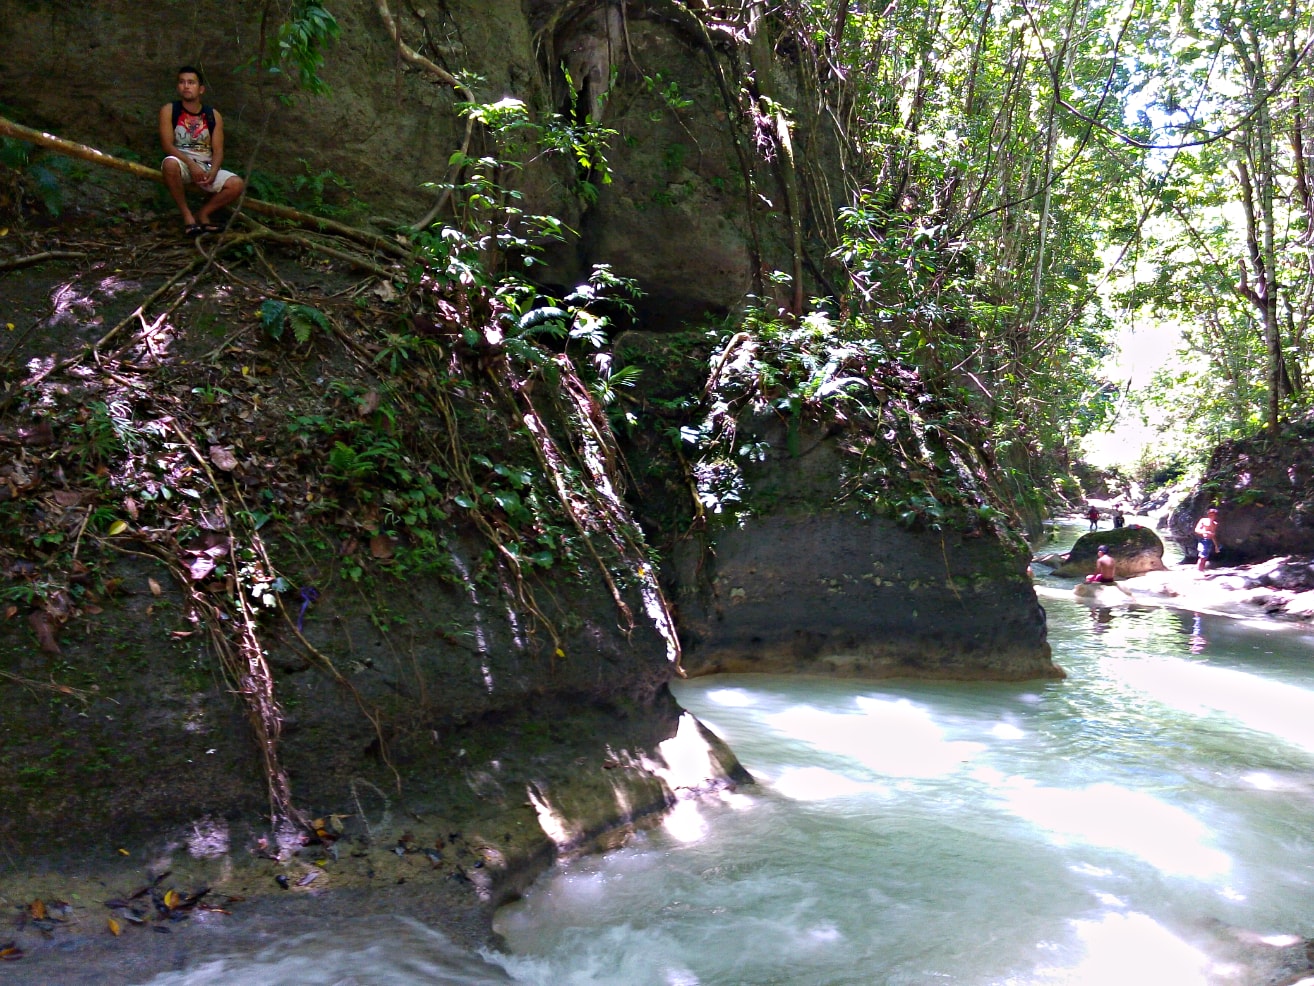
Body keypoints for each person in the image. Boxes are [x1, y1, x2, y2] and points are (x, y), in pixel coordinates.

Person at [159, 66, 244, 235]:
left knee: (236, 184)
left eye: (191, 82)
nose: (186, 86)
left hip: (206, 165)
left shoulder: (213, 115)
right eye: (182, 82)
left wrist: (213, 170)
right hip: (182, 163)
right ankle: (187, 216)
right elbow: (167, 145)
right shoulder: (170, 110)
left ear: (201, 89)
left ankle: (204, 213)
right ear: (178, 87)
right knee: (169, 164)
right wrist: (190, 164)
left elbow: (218, 150)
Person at [1194, 507, 1220, 573]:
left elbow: (1213, 535)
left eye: (1212, 515)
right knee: (1202, 556)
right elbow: (1197, 530)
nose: (1210, 516)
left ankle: (1201, 570)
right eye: (1209, 514)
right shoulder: (1203, 520)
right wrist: (1205, 532)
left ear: (1215, 516)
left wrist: (1216, 546)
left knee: (1205, 557)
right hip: (1202, 539)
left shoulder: (1215, 524)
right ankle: (1198, 571)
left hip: (1209, 541)